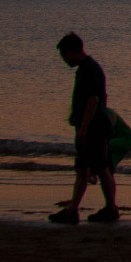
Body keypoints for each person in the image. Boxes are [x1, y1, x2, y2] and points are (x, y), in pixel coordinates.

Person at [50, 33, 118, 224]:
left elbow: (93, 99)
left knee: (91, 168)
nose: (64, 60)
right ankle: (102, 208)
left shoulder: (89, 69)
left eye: (64, 55)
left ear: (72, 51)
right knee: (94, 168)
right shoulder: (87, 68)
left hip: (93, 129)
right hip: (94, 127)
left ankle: (89, 210)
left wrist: (84, 128)